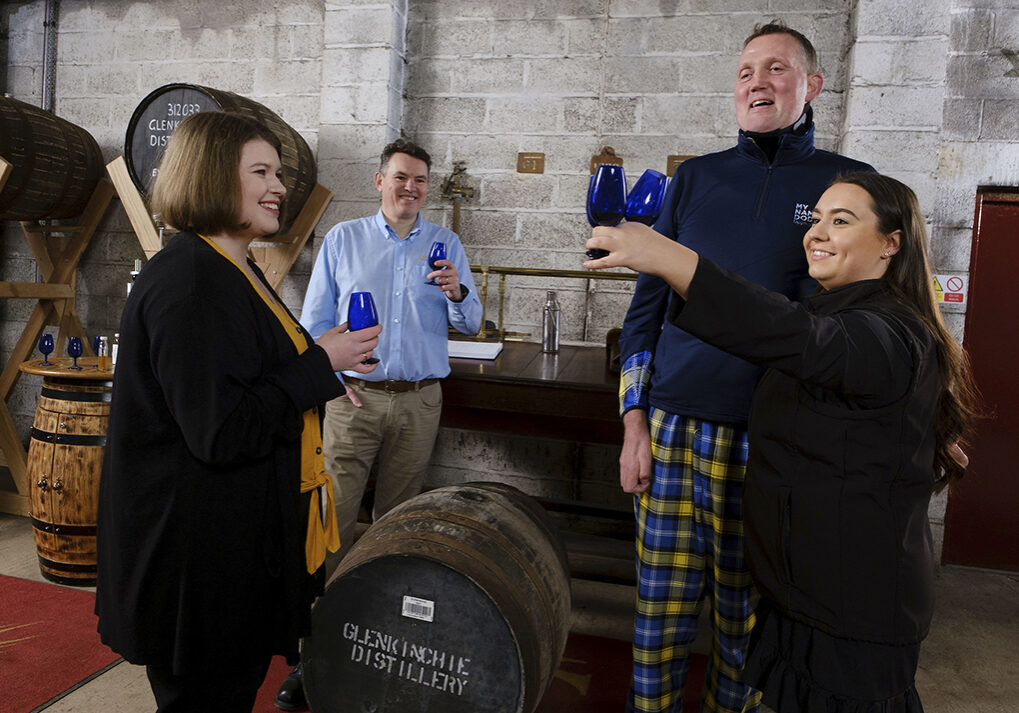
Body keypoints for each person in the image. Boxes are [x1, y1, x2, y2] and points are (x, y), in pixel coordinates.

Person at [588, 171, 979, 713]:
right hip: (809, 595)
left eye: (840, 221)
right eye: (815, 218)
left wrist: (667, 256)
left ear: (892, 243)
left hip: (852, 609)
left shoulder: (886, 328)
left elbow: (797, 337)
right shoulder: (849, 313)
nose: (817, 232)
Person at [615, 21, 875, 713]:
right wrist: (632, 422)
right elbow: (644, 312)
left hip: (772, 443)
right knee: (659, 620)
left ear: (811, 86)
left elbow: (856, 320)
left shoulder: (848, 188)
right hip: (671, 430)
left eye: (775, 69)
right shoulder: (693, 178)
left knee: (746, 625)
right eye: (744, 71)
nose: (756, 82)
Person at [94, 111, 382, 713]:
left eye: (278, 172)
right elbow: (220, 430)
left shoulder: (233, 265)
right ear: (211, 176)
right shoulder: (193, 280)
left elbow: (253, 366)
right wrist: (317, 366)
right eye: (261, 171)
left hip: (228, 552)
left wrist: (321, 366)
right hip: (195, 567)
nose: (279, 185)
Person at [274, 137, 483, 709]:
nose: (410, 188)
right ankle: (309, 654)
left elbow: (471, 321)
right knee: (332, 525)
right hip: (354, 399)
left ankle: (378, 648)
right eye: (400, 178)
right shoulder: (344, 239)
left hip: (418, 400)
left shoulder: (446, 243)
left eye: (419, 180)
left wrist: (458, 292)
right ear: (379, 180)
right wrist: (331, 380)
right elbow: (315, 323)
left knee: (397, 527)